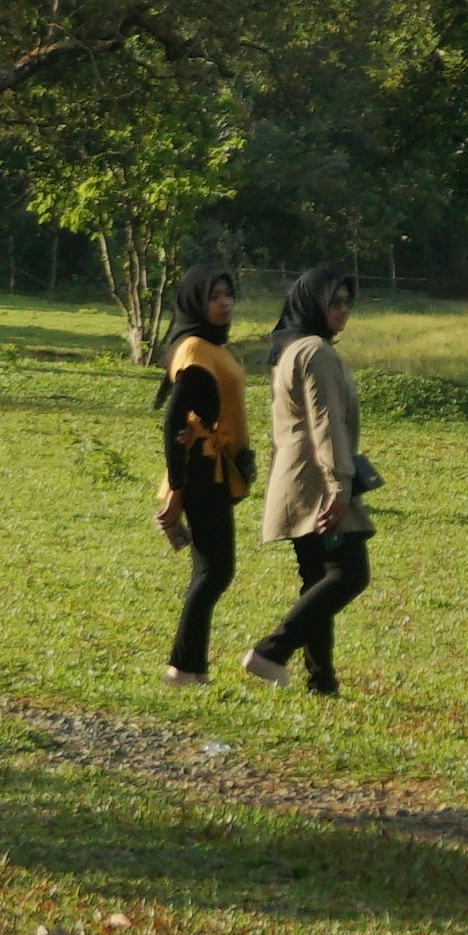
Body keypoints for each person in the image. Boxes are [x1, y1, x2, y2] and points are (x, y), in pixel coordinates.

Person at [242, 269, 371, 695]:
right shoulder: (315, 351)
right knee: (349, 575)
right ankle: (271, 652)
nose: (342, 310)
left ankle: (322, 680)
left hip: (296, 480)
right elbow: (326, 423)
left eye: (347, 303)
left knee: (317, 578)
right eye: (335, 301)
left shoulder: (292, 348)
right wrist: (340, 486)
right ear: (313, 302)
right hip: (318, 484)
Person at [150, 272, 254, 686]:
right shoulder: (194, 350)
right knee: (215, 570)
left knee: (210, 569)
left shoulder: (213, 346)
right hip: (200, 472)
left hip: (217, 469)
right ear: (196, 301)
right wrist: (178, 489)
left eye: (228, 294)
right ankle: (183, 667)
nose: (224, 303)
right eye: (215, 295)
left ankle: (189, 667)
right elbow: (174, 423)